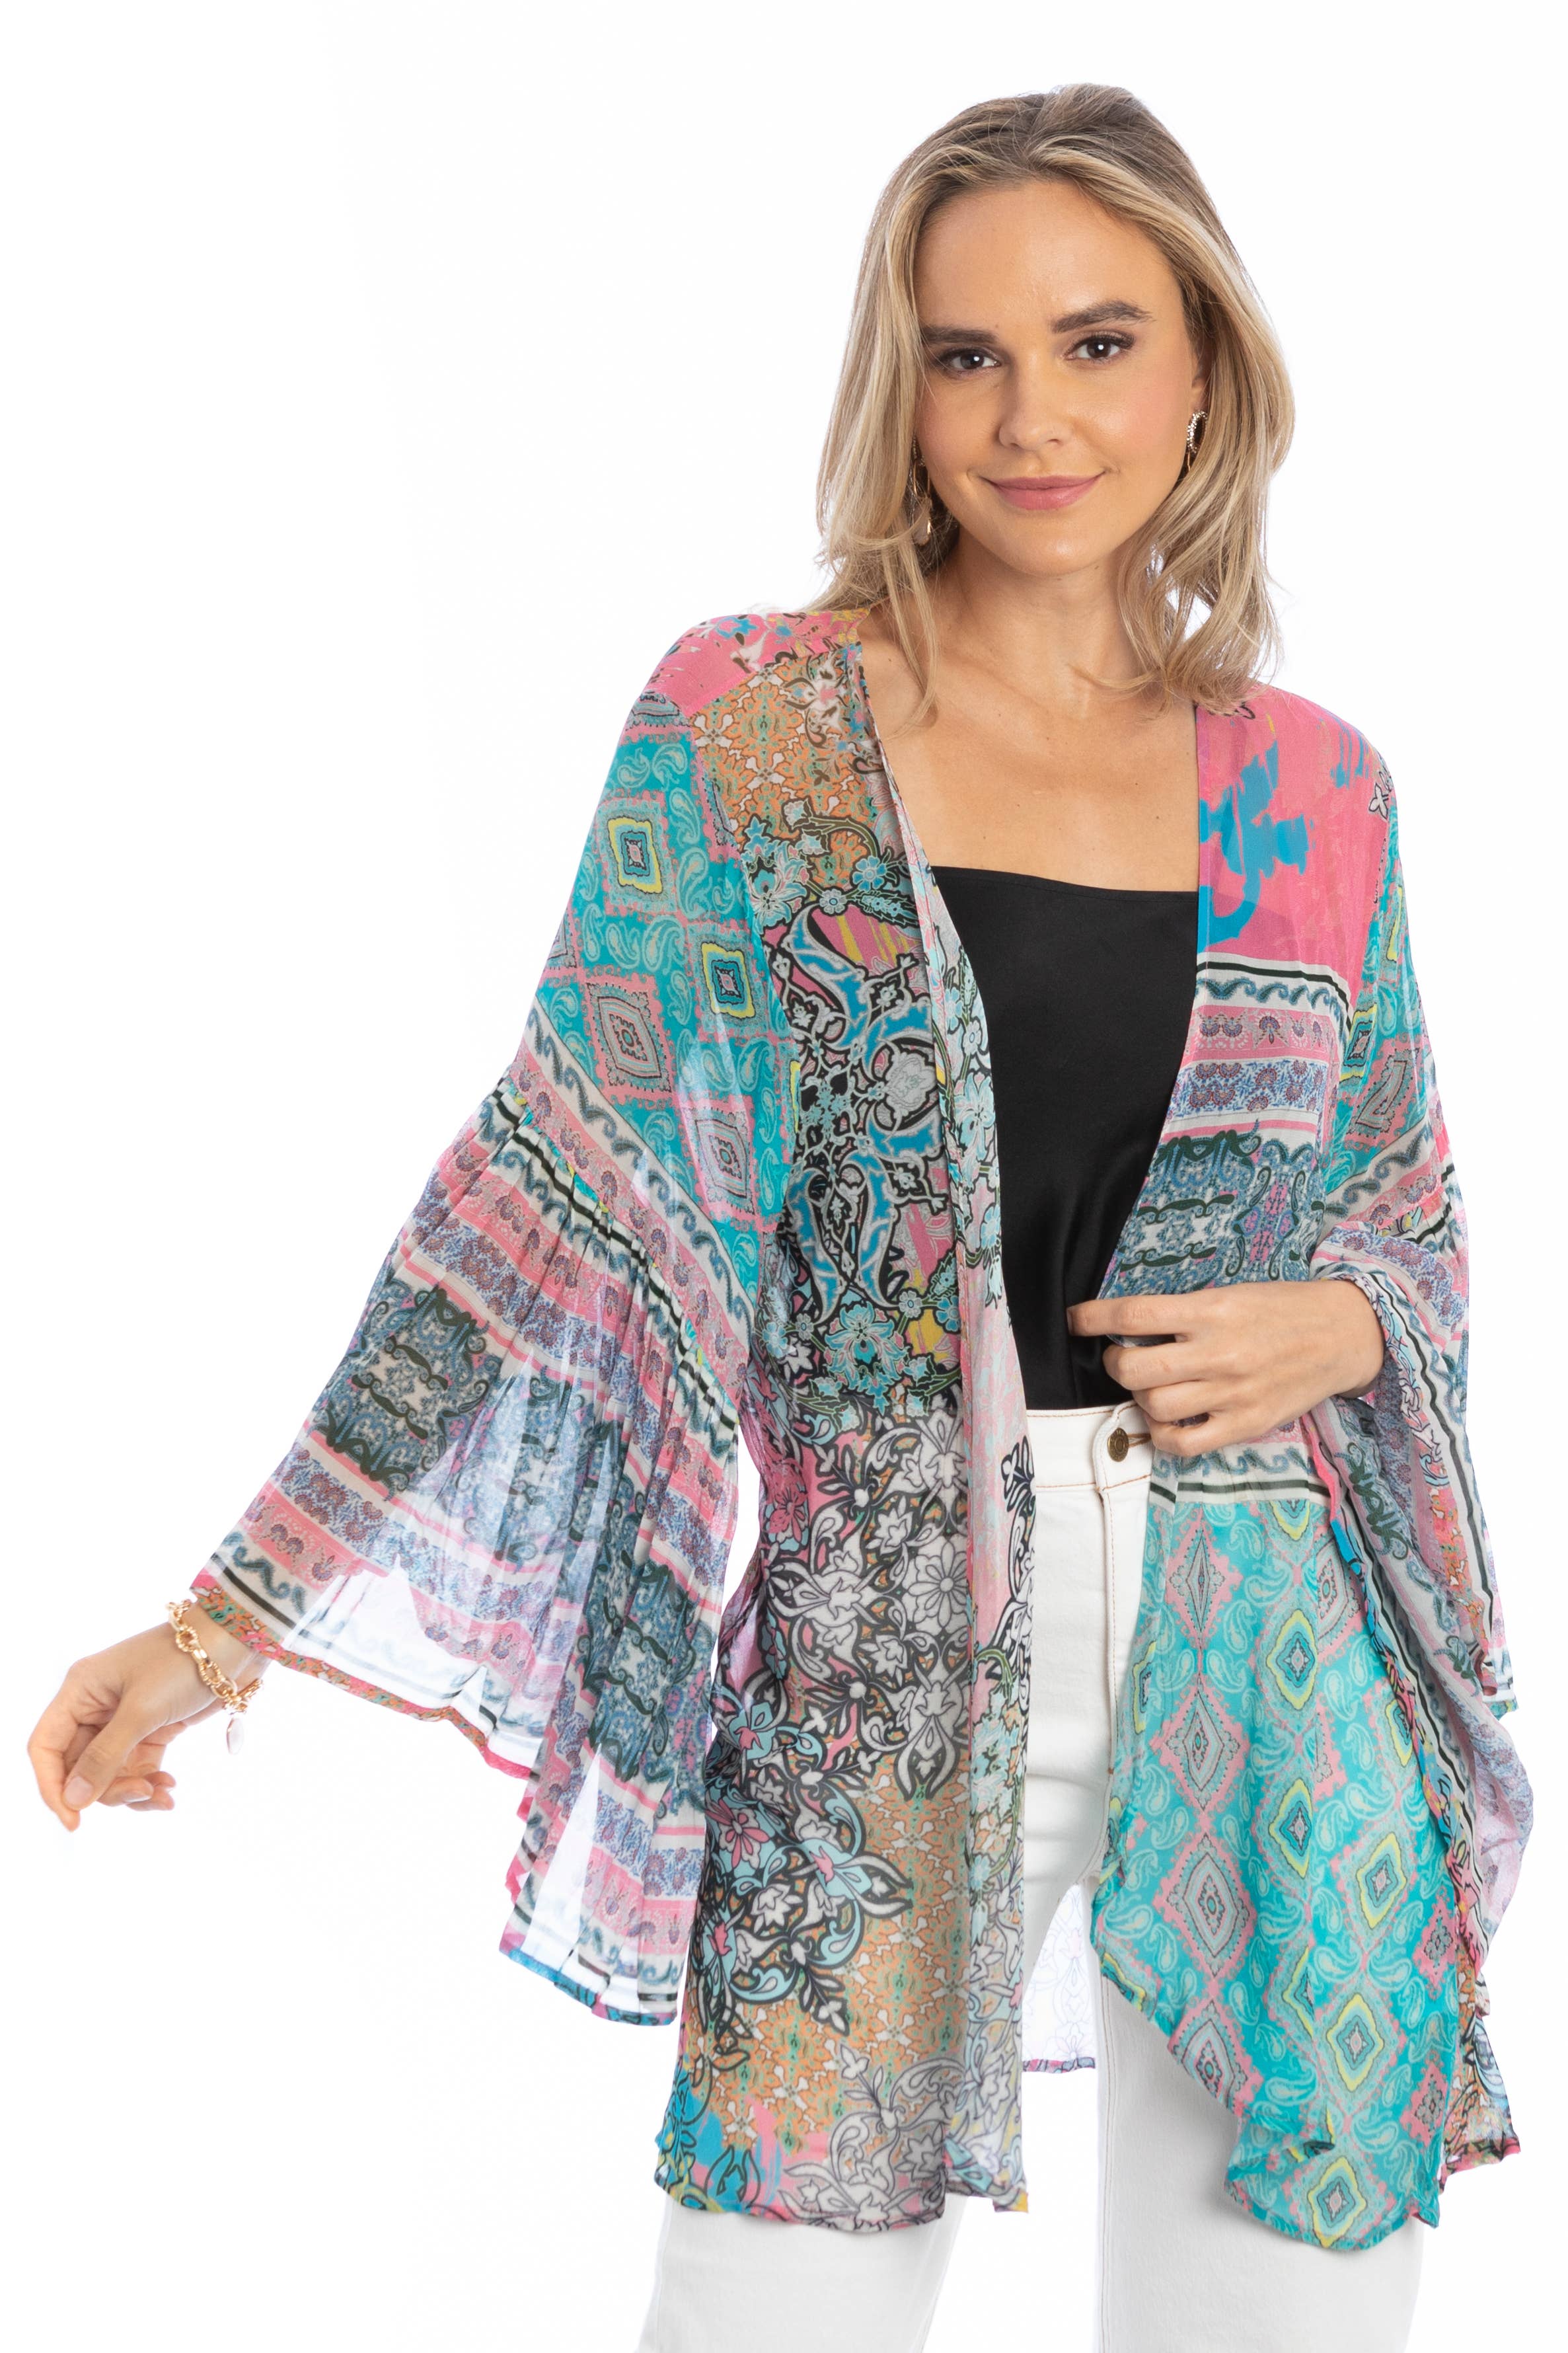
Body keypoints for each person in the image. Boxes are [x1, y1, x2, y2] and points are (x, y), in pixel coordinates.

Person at [26, 83, 1530, 2353]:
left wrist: (1346, 1322)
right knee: (763, 2313)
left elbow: (1406, 1214)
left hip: (1284, 1654)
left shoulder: (1315, 787)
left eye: (1099, 343)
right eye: (966, 355)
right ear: (897, 387)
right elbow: (549, 1200)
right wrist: (226, 1621)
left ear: (1208, 369)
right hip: (884, 1649)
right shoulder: (759, 729)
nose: (1032, 420)